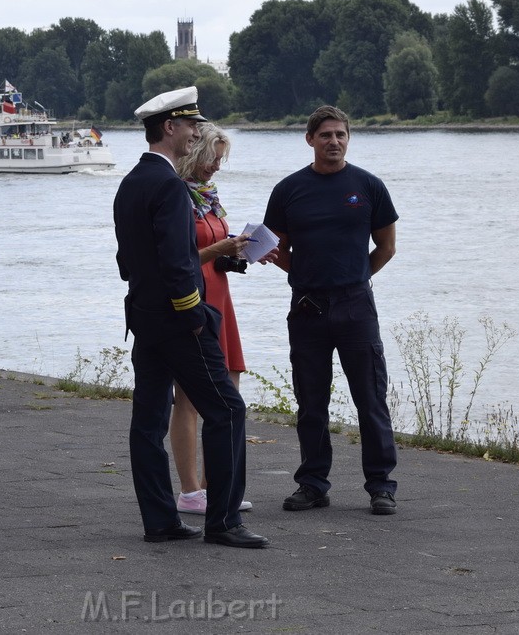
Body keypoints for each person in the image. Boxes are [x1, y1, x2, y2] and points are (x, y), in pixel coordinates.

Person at [113, 86, 269, 549]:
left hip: (143, 318)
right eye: (192, 125)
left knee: (148, 422)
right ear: (170, 128)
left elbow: (127, 262)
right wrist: (194, 313)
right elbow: (178, 263)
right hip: (179, 322)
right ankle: (223, 521)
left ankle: (160, 521)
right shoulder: (169, 185)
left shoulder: (131, 182)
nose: (197, 133)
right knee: (228, 410)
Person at [263, 105, 399, 516]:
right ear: (310, 140)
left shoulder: (368, 186)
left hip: (356, 306)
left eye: (340, 135)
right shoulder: (289, 190)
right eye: (325, 135)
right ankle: (313, 484)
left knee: (370, 399)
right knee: (311, 401)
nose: (334, 142)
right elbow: (274, 250)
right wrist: (307, 275)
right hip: (307, 308)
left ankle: (381, 486)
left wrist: (354, 278)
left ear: (348, 139)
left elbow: (387, 248)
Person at [169, 123, 254, 515]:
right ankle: (189, 491)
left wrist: (239, 254)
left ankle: (214, 485)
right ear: (192, 151)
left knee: (229, 391)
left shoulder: (209, 197)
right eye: (211, 158)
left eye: (220, 159)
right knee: (188, 399)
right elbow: (178, 260)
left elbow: (212, 252)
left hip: (220, 296)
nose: (216, 166)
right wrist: (220, 246)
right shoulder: (177, 196)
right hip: (194, 300)